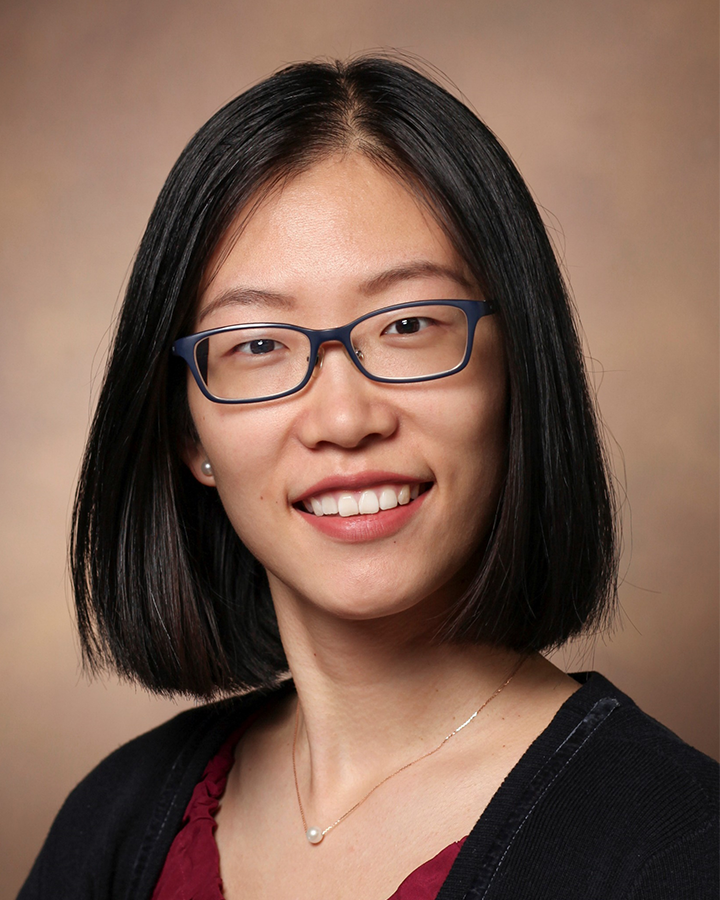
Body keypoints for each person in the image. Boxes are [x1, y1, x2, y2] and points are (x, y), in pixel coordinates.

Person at [19, 56, 717, 900]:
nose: (346, 420)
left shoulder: (681, 849)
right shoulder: (114, 826)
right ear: (188, 436)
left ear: (520, 375)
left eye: (410, 325)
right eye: (257, 345)